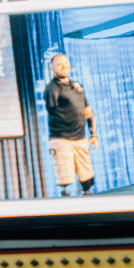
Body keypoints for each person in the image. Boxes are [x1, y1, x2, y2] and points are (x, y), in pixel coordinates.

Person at [44, 53, 97, 196]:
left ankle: (87, 192)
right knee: (65, 178)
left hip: (80, 138)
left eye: (65, 62)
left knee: (87, 179)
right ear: (51, 69)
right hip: (61, 138)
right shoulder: (52, 88)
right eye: (59, 63)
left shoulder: (77, 86)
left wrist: (94, 134)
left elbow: (88, 112)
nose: (63, 65)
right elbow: (52, 112)